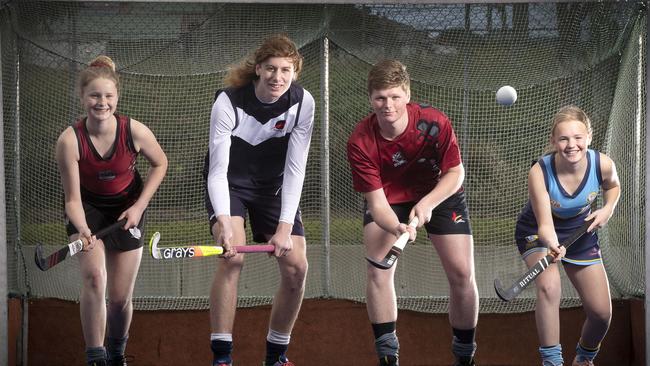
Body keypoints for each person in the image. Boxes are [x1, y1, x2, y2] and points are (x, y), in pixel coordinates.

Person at [346, 59, 478, 366]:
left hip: (439, 193)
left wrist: (429, 203)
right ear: (370, 99)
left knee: (462, 273)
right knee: (378, 269)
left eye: (394, 96)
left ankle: (464, 355)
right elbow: (377, 204)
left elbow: (455, 173)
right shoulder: (360, 141)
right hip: (389, 199)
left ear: (407, 94)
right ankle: (388, 357)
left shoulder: (434, 122)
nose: (387, 105)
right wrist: (396, 228)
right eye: (380, 97)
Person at [204, 34, 314, 366]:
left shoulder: (303, 103)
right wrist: (223, 221)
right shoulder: (227, 102)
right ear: (258, 68)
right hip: (231, 185)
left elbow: (296, 169)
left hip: (274, 188)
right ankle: (222, 358)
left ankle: (276, 356)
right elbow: (217, 170)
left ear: (294, 71)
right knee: (232, 258)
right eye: (270, 68)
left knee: (297, 268)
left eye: (285, 70)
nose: (277, 77)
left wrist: (284, 229)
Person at [56, 55, 168, 366]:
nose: (101, 102)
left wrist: (138, 207)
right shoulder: (69, 141)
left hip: (128, 208)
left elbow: (160, 164)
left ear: (117, 96)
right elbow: (72, 200)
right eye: (94, 95)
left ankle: (117, 354)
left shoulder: (134, 130)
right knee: (94, 277)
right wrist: (82, 229)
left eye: (108, 96)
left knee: (119, 299)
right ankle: (95, 357)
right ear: (82, 97)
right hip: (88, 209)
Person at [515, 105, 620, 366]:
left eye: (577, 138)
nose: (571, 145)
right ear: (553, 141)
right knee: (550, 287)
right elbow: (545, 225)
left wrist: (607, 209)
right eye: (563, 138)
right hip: (538, 232)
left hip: (581, 233)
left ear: (589, 138)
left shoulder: (603, 164)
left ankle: (584, 358)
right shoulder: (539, 172)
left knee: (601, 314)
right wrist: (552, 245)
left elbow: (613, 187)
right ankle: (552, 362)